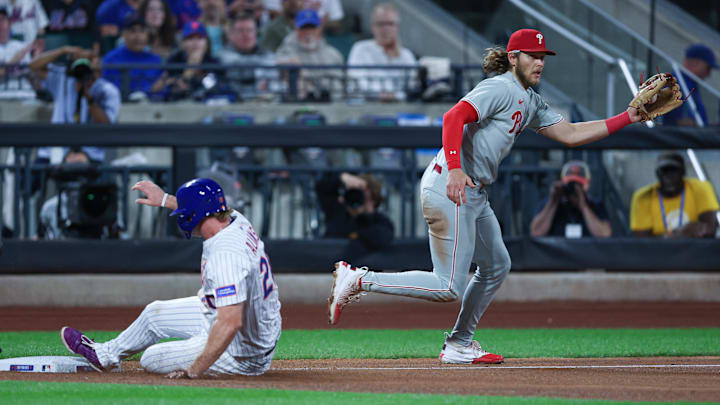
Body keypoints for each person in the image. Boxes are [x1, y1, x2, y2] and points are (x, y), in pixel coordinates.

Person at [327, 28, 649, 364]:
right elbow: (454, 117)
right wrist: (454, 168)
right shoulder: (500, 87)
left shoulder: (530, 100)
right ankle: (360, 279)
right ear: (513, 58)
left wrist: (628, 117)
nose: (539, 62)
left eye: (542, 57)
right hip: (449, 185)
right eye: (532, 56)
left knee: (496, 265)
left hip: (473, 193)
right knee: (448, 286)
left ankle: (459, 344)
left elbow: (569, 133)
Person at [59, 178, 282, 377]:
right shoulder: (234, 219)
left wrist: (196, 368)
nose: (181, 217)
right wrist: (165, 199)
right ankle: (104, 355)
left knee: (151, 359)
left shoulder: (226, 255)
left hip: (242, 350)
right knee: (153, 314)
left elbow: (231, 322)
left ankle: (208, 352)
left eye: (184, 213)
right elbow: (202, 208)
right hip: (248, 321)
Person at [30, 46, 121, 162]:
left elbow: (106, 124)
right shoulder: (63, 80)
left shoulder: (108, 90)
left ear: (99, 71)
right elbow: (33, 66)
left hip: (91, 152)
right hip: (58, 147)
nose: (83, 74)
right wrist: (64, 50)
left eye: (89, 68)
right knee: (32, 173)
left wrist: (87, 96)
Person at [630, 152, 718, 238]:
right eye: (664, 171)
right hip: (659, 252)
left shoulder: (700, 188)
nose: (668, 177)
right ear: (657, 174)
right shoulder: (643, 197)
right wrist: (679, 234)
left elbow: (709, 229)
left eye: (673, 170)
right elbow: (642, 242)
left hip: (694, 250)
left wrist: (665, 237)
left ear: (683, 172)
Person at [347, 3, 416, 101]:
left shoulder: (406, 55)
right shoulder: (360, 48)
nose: (386, 29)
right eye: (381, 24)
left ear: (397, 27)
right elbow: (357, 79)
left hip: (398, 107)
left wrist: (395, 96)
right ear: (373, 27)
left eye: (390, 24)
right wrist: (381, 94)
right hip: (365, 107)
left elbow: (413, 87)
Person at [529, 160, 611, 238]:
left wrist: (584, 206)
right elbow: (536, 233)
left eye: (578, 185)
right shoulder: (549, 204)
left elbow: (604, 234)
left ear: (586, 186)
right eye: (569, 185)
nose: (572, 190)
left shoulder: (596, 205)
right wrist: (553, 201)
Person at [315, 172, 394, 252]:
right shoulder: (337, 211)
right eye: (353, 191)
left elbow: (382, 239)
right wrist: (342, 178)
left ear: (372, 196)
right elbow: (321, 188)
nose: (356, 195)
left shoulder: (381, 222)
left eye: (361, 191)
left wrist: (361, 214)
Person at [276, 8, 342, 100]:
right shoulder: (286, 50)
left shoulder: (333, 54)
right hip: (299, 105)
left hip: (332, 104)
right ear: (296, 30)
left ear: (319, 30)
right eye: (303, 28)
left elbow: (343, 83)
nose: (308, 32)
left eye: (312, 28)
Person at [151, 20, 220, 100]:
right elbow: (155, 89)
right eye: (190, 38)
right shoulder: (174, 60)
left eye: (200, 38)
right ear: (183, 43)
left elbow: (219, 88)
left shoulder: (214, 62)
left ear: (206, 42)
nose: (195, 42)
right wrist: (187, 73)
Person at [101, 14, 163, 97]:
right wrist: (148, 90)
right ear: (123, 34)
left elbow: (162, 90)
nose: (138, 36)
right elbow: (108, 90)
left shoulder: (155, 60)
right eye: (132, 31)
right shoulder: (111, 59)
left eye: (142, 31)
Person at [217, 14, 275, 100]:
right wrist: (266, 63)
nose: (246, 34)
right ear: (231, 35)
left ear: (256, 33)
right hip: (231, 103)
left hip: (263, 103)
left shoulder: (266, 53)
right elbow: (236, 63)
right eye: (240, 31)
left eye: (250, 30)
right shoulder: (223, 53)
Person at [662, 44, 717, 127]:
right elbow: (678, 122)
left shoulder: (688, 84)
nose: (708, 74)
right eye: (708, 68)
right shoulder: (676, 83)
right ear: (695, 63)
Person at [0, 6, 41, 97]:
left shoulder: (22, 46)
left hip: (25, 95)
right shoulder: (22, 51)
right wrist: (15, 60)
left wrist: (36, 59)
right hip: (2, 97)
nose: (0, 24)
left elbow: (35, 78)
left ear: (9, 23)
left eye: (2, 19)